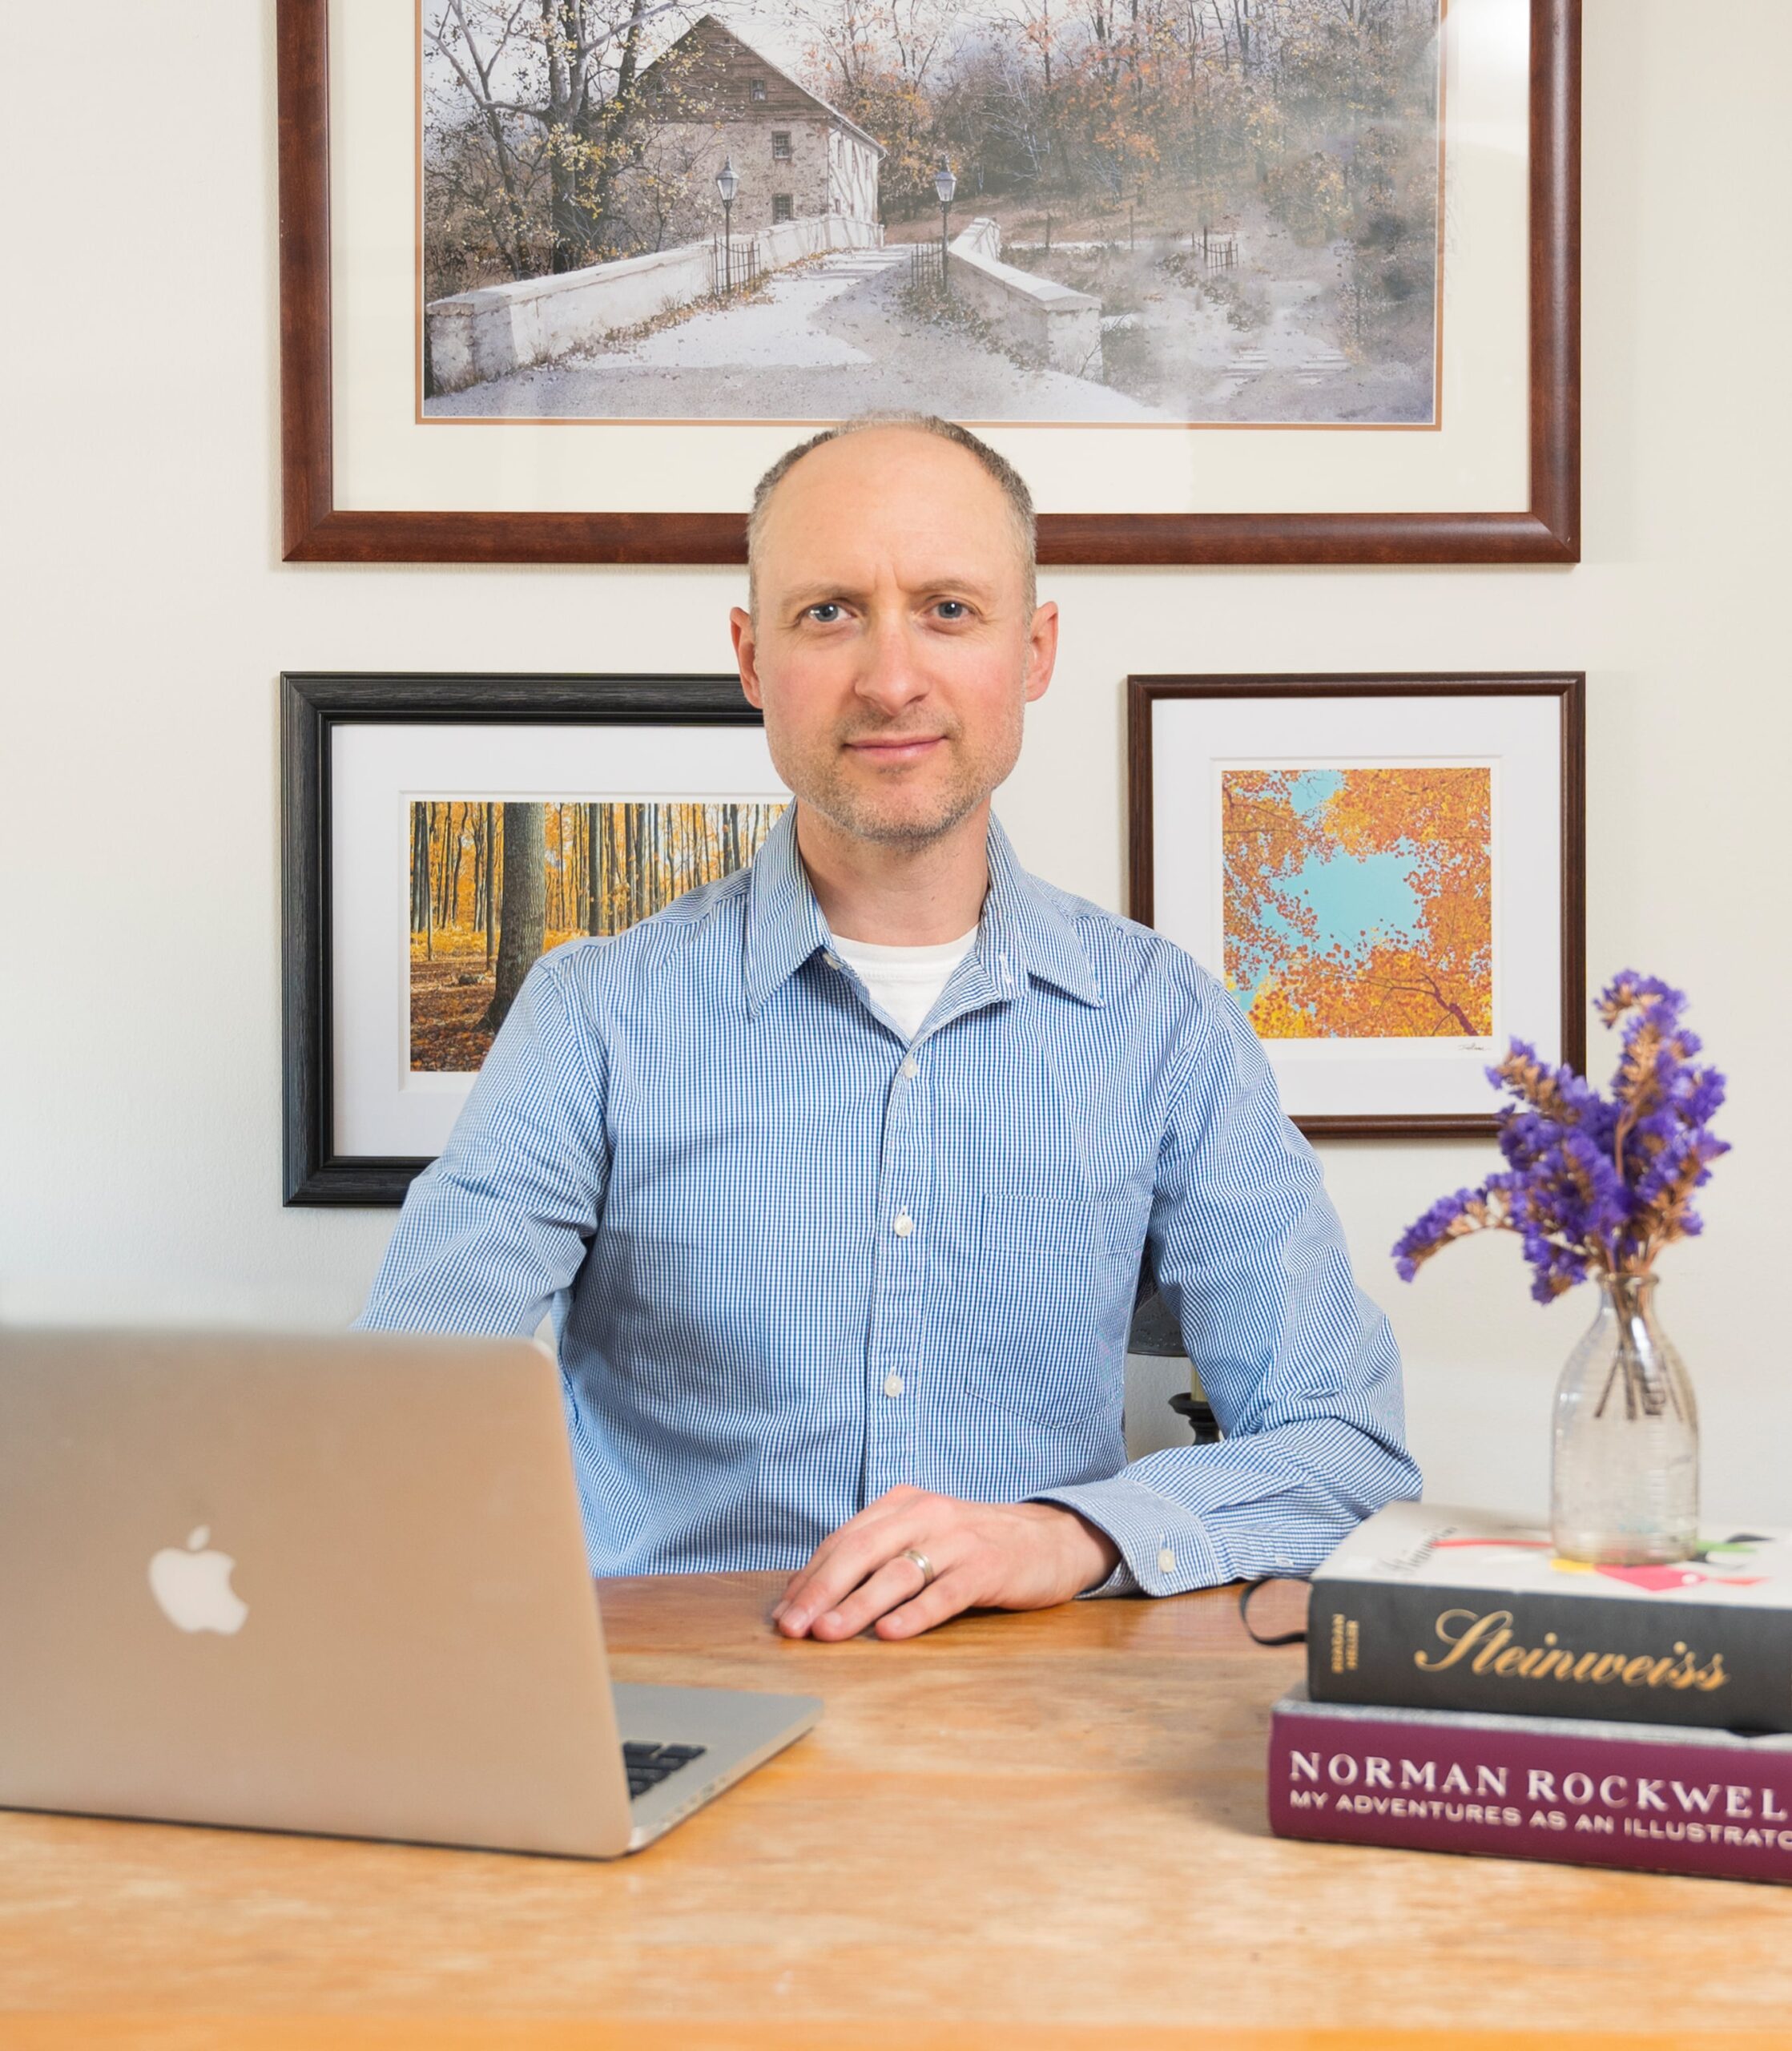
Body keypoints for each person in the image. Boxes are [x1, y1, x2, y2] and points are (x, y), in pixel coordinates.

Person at [358, 411, 1420, 1643]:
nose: (891, 677)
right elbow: (402, 1412)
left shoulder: (1162, 1023)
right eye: (829, 614)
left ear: (1034, 649)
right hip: (673, 1709)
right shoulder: (596, 1017)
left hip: (1040, 1737)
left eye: (948, 610)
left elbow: (1339, 1447)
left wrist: (1066, 1534)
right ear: (753, 660)